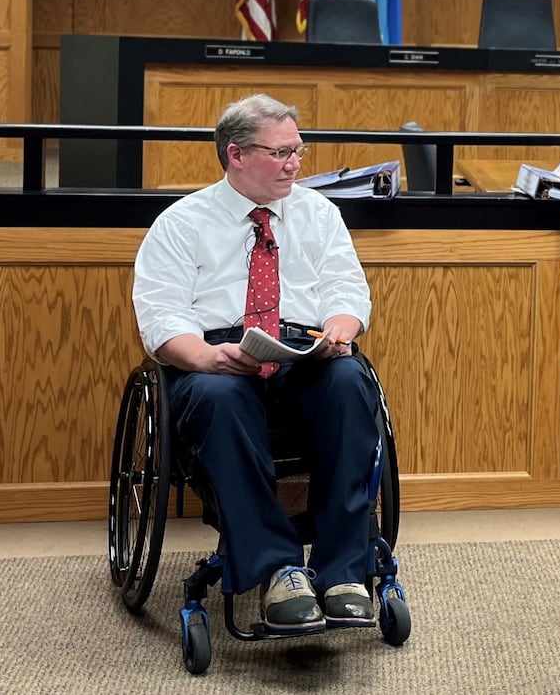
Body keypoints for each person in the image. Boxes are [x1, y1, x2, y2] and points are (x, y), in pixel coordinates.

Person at [132, 94, 379, 632]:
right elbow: (159, 315)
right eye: (281, 152)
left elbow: (346, 289)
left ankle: (343, 572)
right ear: (236, 155)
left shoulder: (319, 214)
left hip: (302, 352)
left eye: (298, 150)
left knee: (349, 380)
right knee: (220, 395)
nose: (295, 164)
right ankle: (280, 569)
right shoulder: (181, 223)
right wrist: (204, 356)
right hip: (214, 357)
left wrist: (340, 328)